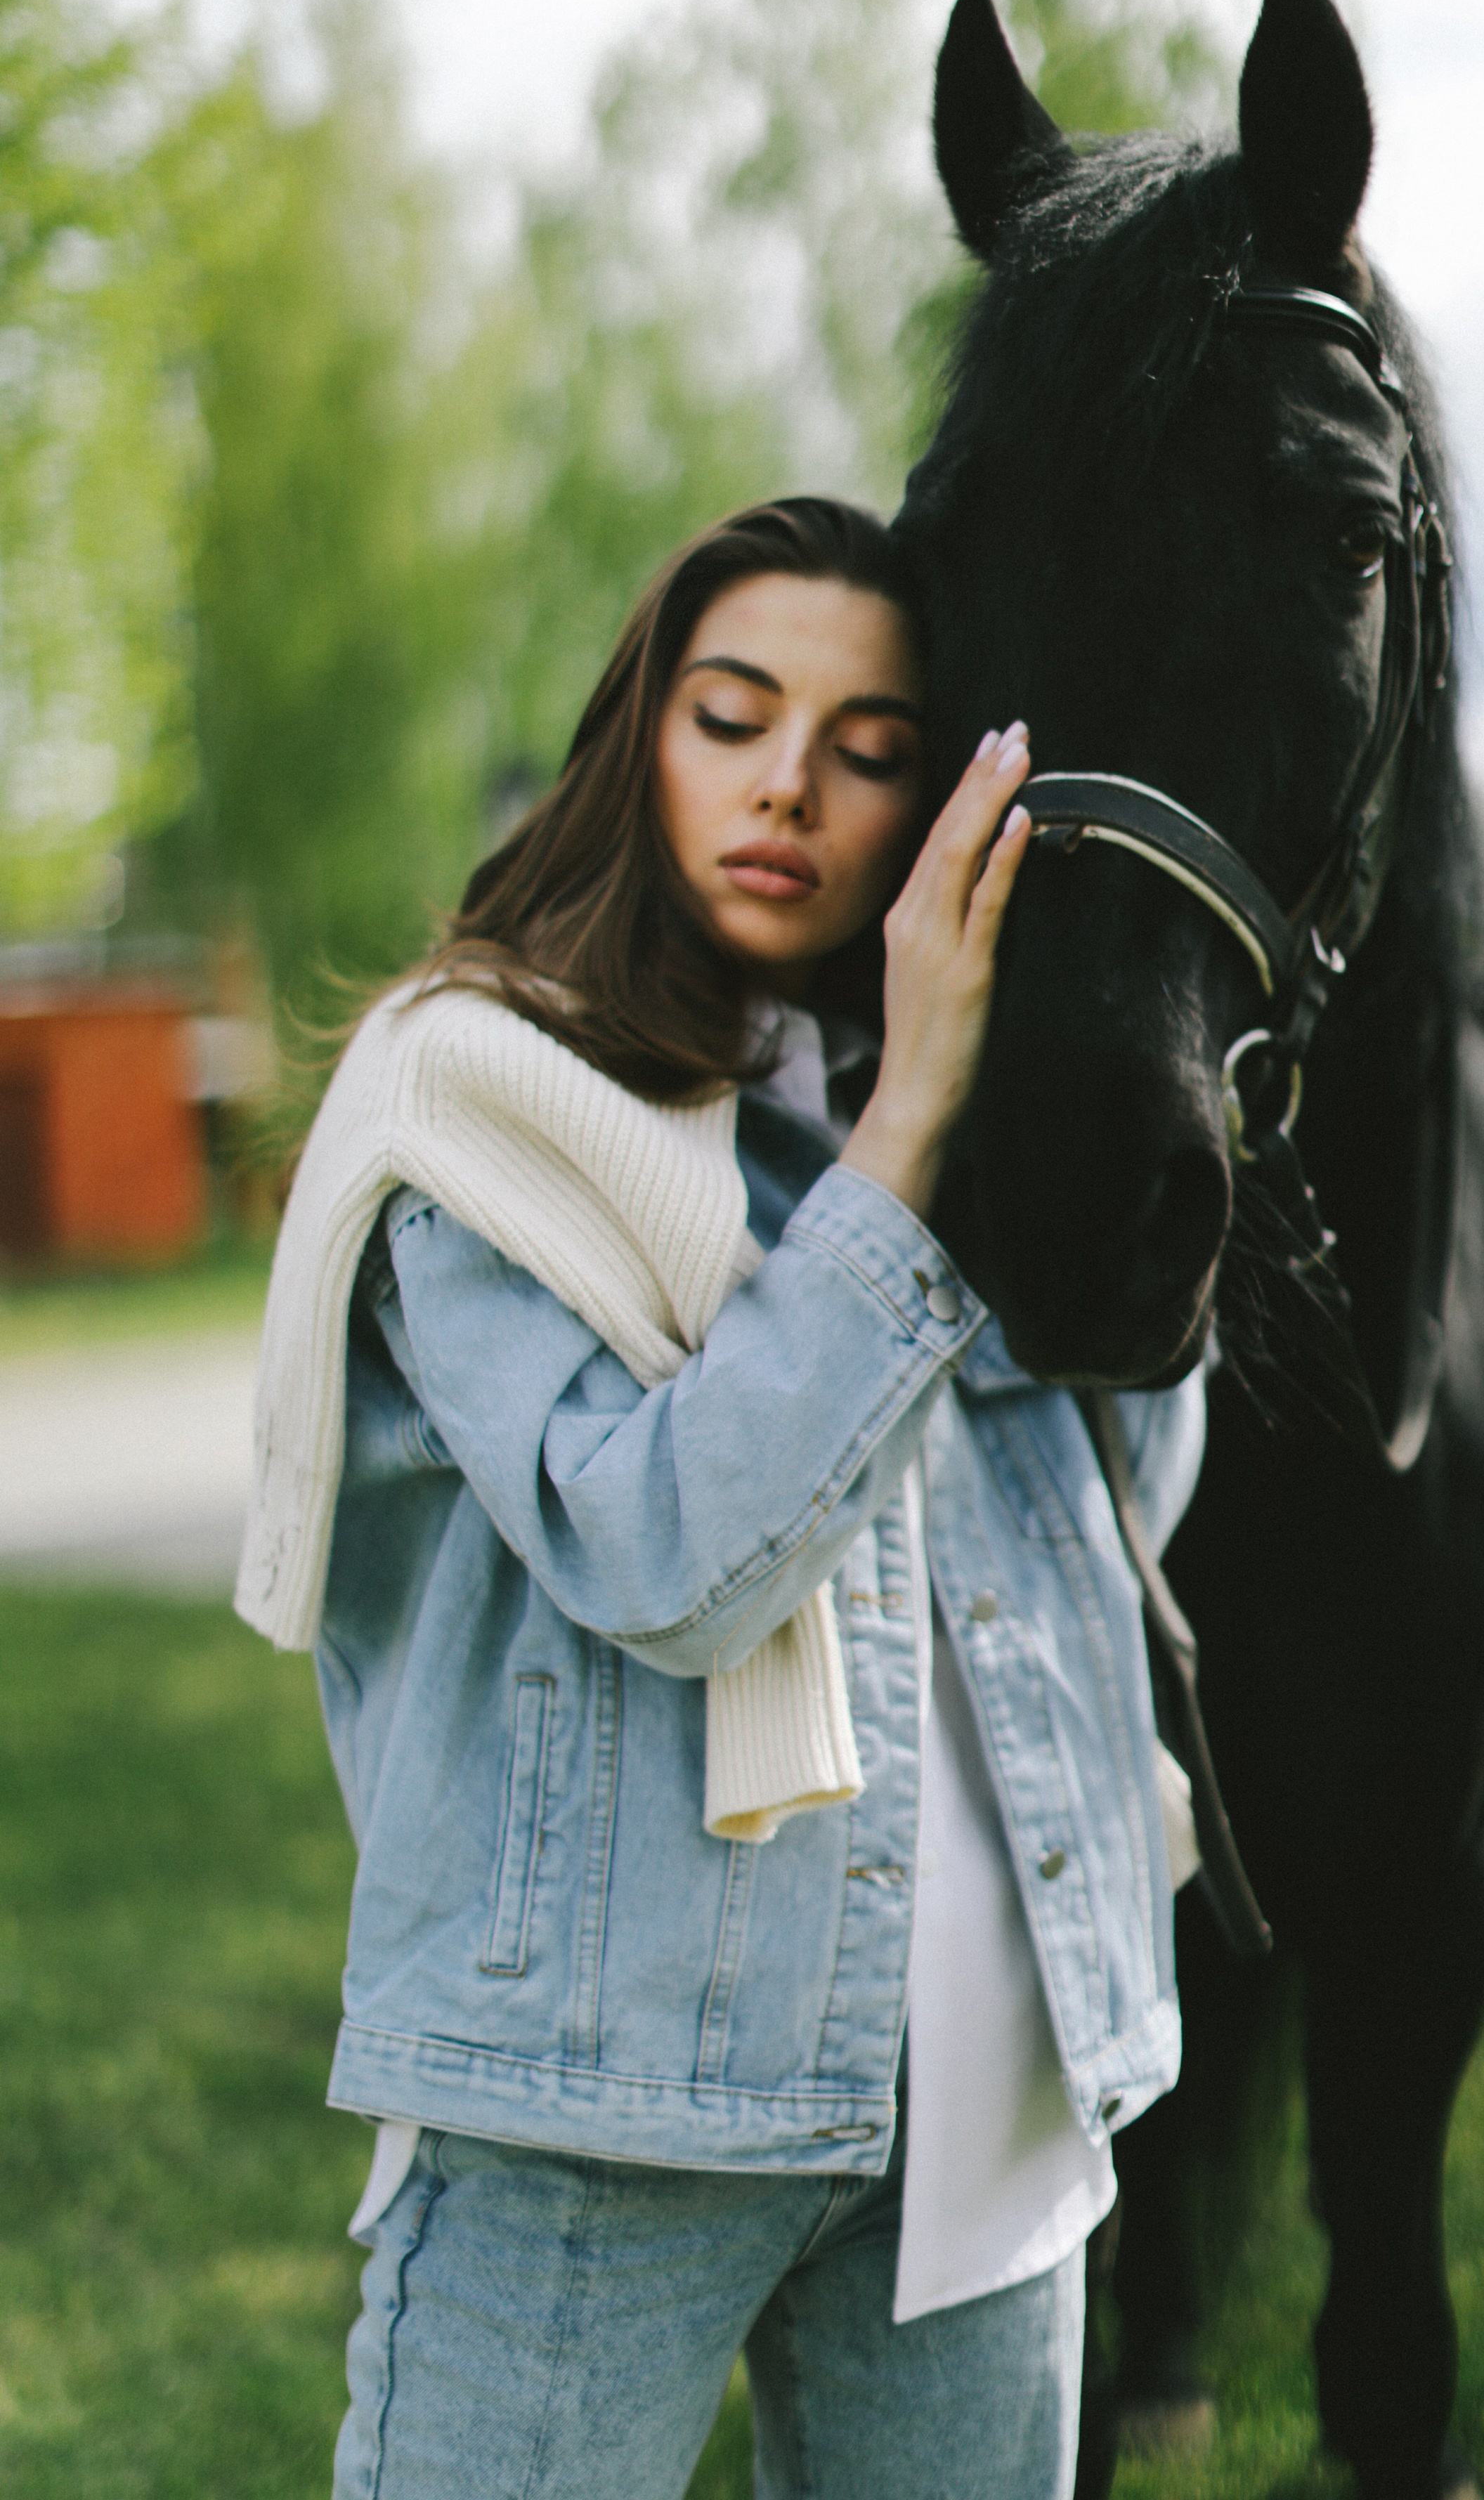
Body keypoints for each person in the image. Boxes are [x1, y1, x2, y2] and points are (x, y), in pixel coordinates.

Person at [235, 497, 1206, 2500]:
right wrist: (911, 1133)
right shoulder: (485, 1092)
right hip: (609, 2097)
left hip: (983, 2078)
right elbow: (663, 1548)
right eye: (734, 716)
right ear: (638, 738)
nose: (791, 786)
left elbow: (1121, 1506)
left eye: (867, 750)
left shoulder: (926, 1084)